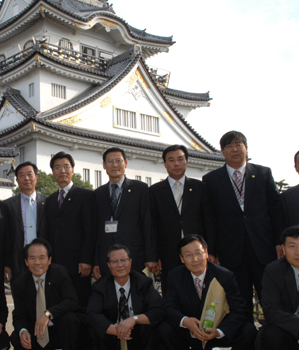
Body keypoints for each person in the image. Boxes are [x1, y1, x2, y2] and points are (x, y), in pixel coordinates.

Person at [202, 131, 284, 334]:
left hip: (263, 248)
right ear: (222, 151)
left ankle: (280, 348)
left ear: (246, 148)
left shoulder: (263, 174)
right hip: (231, 251)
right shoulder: (211, 179)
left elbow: (276, 211)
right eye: (229, 146)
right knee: (240, 303)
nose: (235, 149)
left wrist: (280, 242)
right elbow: (209, 219)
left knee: (272, 299)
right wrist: (211, 250)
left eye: (239, 145)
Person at [158, 235, 256, 350]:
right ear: (182, 258)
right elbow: (169, 307)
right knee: (165, 327)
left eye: (198, 253)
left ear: (206, 253)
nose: (195, 259)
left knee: (248, 329)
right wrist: (186, 322)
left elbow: (240, 310)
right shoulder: (175, 276)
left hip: (217, 330)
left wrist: (219, 331)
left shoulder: (225, 276)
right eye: (189, 255)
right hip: (191, 329)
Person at [10, 238, 85, 350]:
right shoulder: (19, 284)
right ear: (26, 262)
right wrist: (23, 331)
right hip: (40, 332)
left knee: (68, 319)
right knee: (16, 337)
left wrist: (48, 314)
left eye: (42, 258)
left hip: (63, 329)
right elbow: (19, 315)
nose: (37, 263)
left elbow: (71, 301)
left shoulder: (60, 273)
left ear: (49, 260)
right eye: (32, 258)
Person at [86, 244, 164, 350]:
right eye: (114, 262)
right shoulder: (100, 287)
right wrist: (115, 330)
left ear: (130, 262)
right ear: (108, 265)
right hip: (113, 335)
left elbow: (159, 310)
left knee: (156, 322)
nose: (119, 265)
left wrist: (133, 320)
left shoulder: (143, 282)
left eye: (123, 260)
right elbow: (91, 314)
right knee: (96, 323)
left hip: (138, 334)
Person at [149, 144, 215, 293]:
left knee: (201, 292)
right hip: (168, 253)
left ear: (187, 161)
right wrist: (154, 255)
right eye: (171, 160)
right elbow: (152, 226)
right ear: (165, 164)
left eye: (180, 159)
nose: (176, 164)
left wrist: (211, 251)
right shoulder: (155, 191)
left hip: (197, 253)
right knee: (172, 293)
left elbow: (209, 222)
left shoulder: (200, 188)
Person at [42, 151, 97, 309]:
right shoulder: (50, 200)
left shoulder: (85, 196)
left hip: (79, 264)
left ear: (73, 169)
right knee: (59, 303)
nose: (62, 170)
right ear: (53, 172)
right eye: (58, 167)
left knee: (80, 303)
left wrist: (86, 259)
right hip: (57, 263)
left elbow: (90, 230)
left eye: (66, 166)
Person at [93, 147, 155, 280]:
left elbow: (148, 224)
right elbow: (95, 230)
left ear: (125, 163)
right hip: (107, 259)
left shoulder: (140, 189)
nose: (114, 164)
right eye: (110, 161)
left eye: (118, 160)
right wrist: (96, 261)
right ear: (104, 165)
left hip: (135, 256)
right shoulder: (98, 193)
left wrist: (151, 257)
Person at [4, 162, 46, 280]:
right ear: (17, 180)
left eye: (29, 174)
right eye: (22, 175)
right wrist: (7, 263)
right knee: (21, 295)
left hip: (43, 260)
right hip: (18, 261)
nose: (26, 178)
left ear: (36, 178)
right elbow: (5, 237)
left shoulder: (48, 202)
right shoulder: (7, 205)